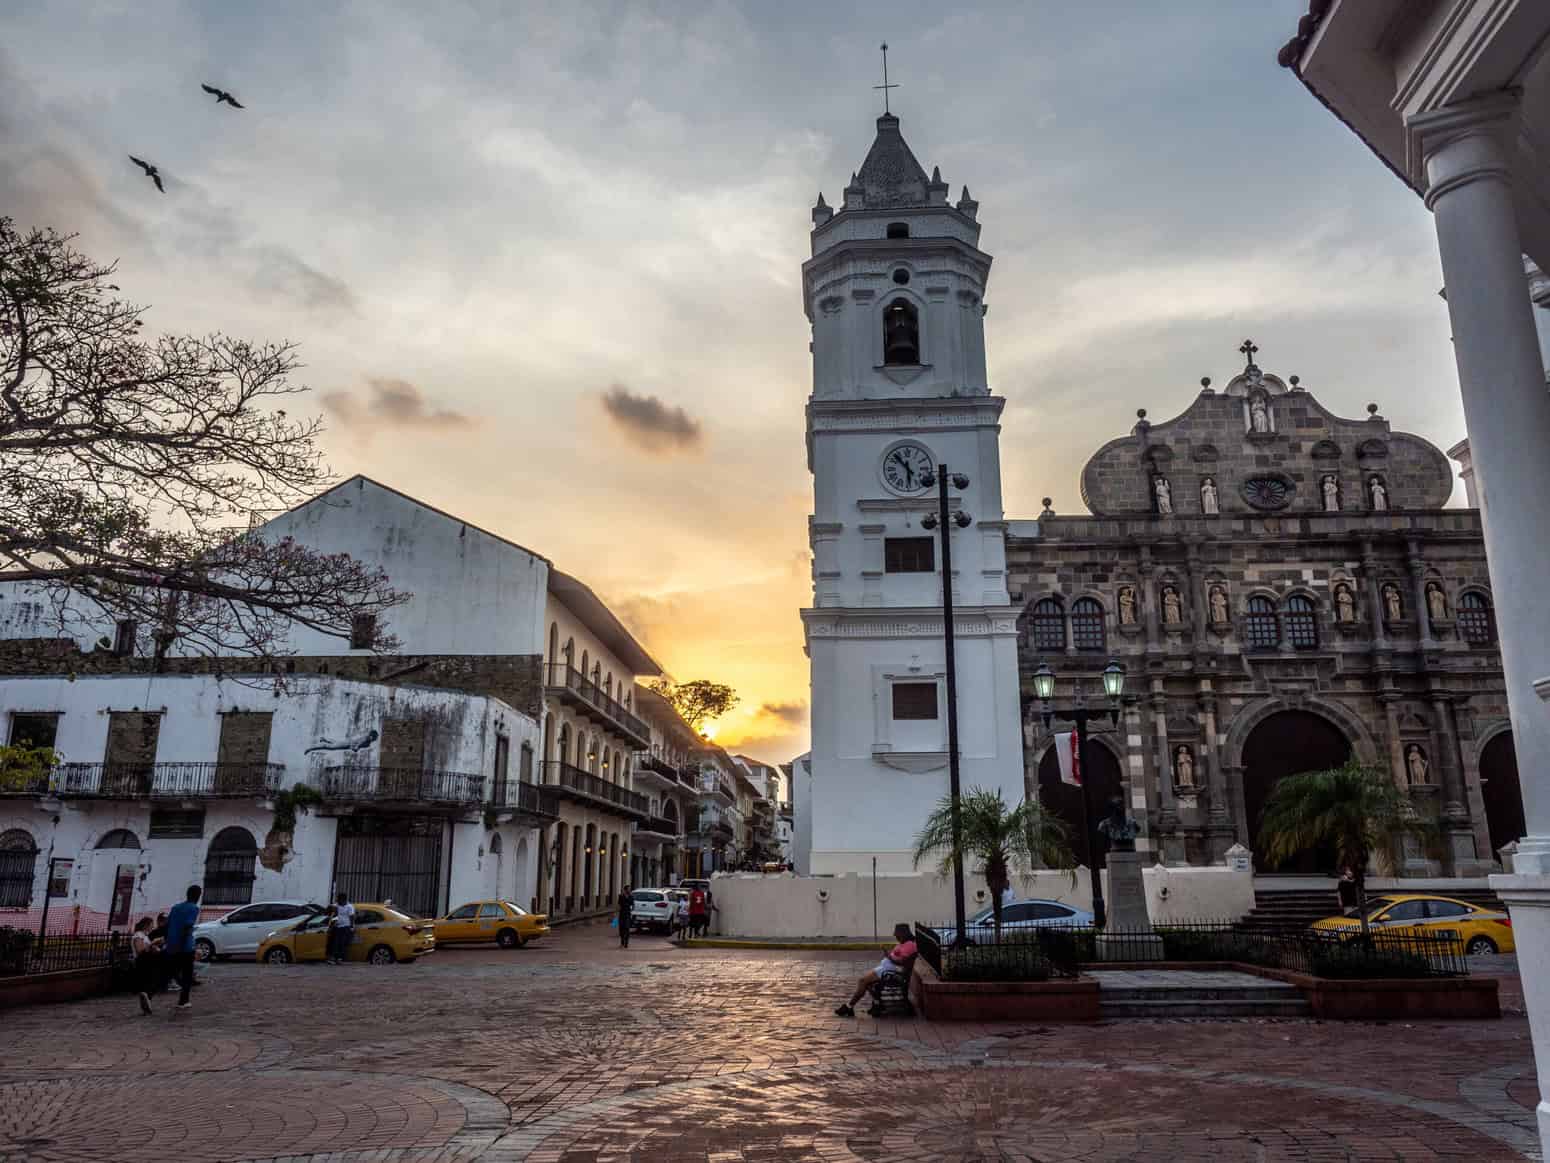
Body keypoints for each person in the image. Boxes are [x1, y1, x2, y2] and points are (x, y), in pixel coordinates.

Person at [835, 924, 917, 1017]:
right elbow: (898, 957)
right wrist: (889, 955)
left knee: (862, 981)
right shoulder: (904, 943)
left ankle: (849, 1007)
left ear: (903, 933)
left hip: (891, 971)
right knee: (866, 983)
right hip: (886, 968)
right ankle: (876, 1005)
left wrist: (888, 955)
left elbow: (901, 962)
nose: (896, 937)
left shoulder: (909, 945)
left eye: (897, 935)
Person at [163, 886, 201, 1011]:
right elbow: (187, 927)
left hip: (171, 944)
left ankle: (149, 994)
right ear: (197, 896)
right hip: (185, 946)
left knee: (170, 971)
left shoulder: (175, 908)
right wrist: (182, 943)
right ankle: (183, 1000)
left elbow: (167, 926)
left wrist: (168, 941)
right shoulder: (193, 908)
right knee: (187, 974)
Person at [131, 917, 160, 1015]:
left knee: (153, 981)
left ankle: (147, 999)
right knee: (151, 981)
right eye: (152, 924)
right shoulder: (138, 935)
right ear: (146, 925)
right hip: (142, 961)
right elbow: (140, 950)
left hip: (148, 960)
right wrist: (152, 944)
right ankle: (146, 996)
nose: (153, 927)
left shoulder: (145, 936)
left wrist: (155, 946)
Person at [328, 892, 355, 964]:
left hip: (345, 927)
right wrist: (332, 907)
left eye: (340, 900)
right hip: (337, 927)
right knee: (335, 943)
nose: (338, 902)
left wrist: (352, 926)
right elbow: (330, 907)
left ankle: (340, 958)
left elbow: (352, 917)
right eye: (338, 900)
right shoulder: (337, 905)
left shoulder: (349, 907)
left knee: (342, 943)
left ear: (344, 900)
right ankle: (333, 958)